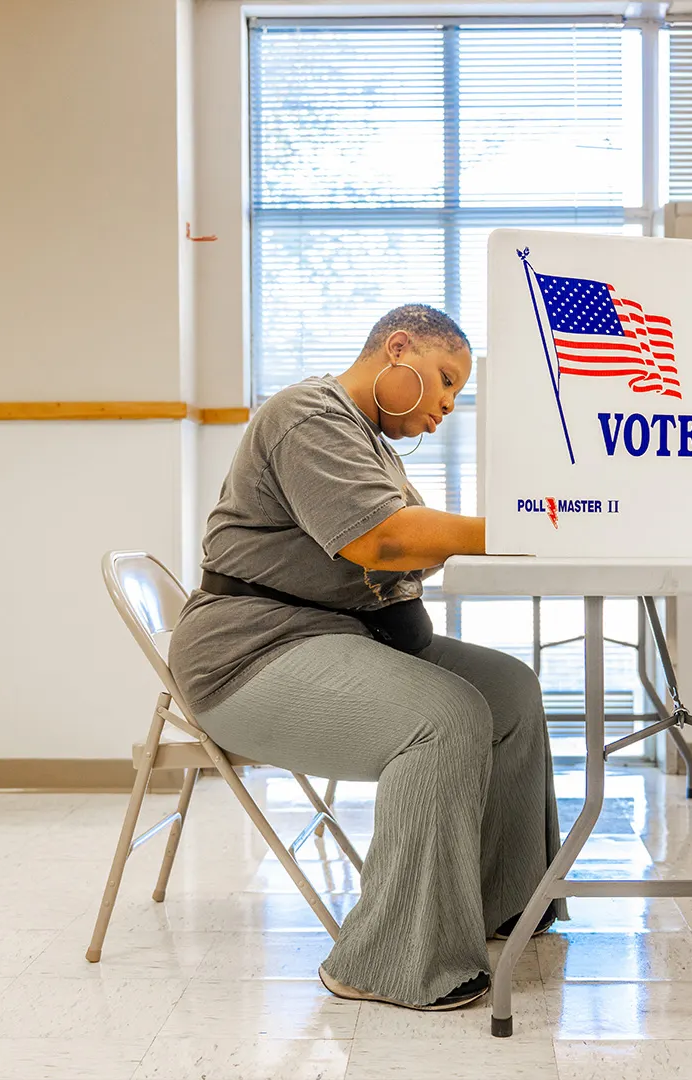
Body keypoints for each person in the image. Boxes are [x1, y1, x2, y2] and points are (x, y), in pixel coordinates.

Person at [168, 303, 559, 1011]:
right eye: (444, 380)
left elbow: (410, 544)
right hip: (250, 655)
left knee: (509, 689)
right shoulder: (305, 415)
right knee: (443, 717)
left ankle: (497, 904)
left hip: (334, 638)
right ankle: (384, 962)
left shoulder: (367, 444)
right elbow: (381, 543)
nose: (446, 405)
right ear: (398, 348)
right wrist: (529, 522)